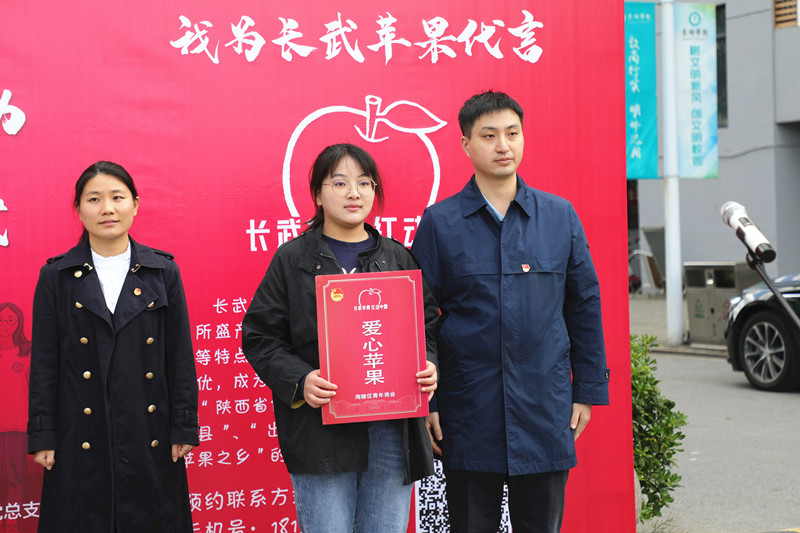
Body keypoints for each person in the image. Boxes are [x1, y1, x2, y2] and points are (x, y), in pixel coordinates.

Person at [411, 91, 610, 533]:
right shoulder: (440, 222)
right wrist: (430, 400)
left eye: (512, 133)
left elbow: (584, 305)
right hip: (467, 410)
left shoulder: (559, 216)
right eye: (489, 136)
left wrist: (587, 390)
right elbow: (418, 316)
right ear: (466, 145)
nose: (503, 145)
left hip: (544, 408)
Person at [242, 143, 439, 533]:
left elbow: (428, 327)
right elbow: (260, 336)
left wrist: (429, 363)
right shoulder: (292, 259)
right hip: (321, 432)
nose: (354, 193)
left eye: (364, 183)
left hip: (391, 432)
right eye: (340, 183)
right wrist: (300, 380)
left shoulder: (397, 258)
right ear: (318, 194)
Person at [27, 161, 199, 532]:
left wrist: (183, 426)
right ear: (78, 209)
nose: (107, 208)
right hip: (78, 430)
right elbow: (44, 362)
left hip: (148, 428)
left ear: (135, 204)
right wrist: (43, 434)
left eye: (117, 197)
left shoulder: (161, 272)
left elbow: (179, 356)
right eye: (94, 199)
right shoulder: (56, 276)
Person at [1, 302, 31, 533]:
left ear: (19, 322)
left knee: (15, 477)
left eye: (11, 319)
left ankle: (11, 520)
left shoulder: (27, 352)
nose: (6, 324)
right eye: (1, 320)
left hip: (17, 426)